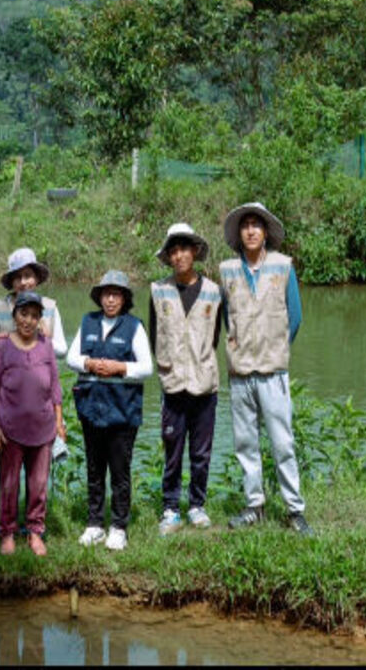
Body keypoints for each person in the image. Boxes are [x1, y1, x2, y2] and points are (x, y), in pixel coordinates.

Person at [218, 202, 311, 536]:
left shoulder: (283, 267)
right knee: (245, 443)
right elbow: (228, 316)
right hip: (240, 374)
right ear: (239, 234)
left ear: (266, 232)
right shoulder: (227, 270)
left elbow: (296, 317)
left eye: (257, 225)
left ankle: (294, 510)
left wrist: (276, 349)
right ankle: (254, 505)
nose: (251, 231)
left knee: (282, 443)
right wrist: (239, 346)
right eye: (246, 226)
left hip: (273, 373)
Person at [66, 270, 153, 551]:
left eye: (116, 294)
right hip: (91, 408)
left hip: (122, 411)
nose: (111, 299)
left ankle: (118, 527)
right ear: (100, 297)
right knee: (94, 468)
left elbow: (147, 368)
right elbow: (71, 357)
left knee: (119, 470)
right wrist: (89, 364)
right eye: (106, 293)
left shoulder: (134, 326)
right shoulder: (88, 322)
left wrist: (120, 368)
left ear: (125, 298)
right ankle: (94, 524)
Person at [149, 223, 224, 536]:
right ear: (168, 257)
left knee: (201, 451)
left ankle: (196, 505)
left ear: (195, 252)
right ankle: (170, 508)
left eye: (184, 249)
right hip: (173, 382)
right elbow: (154, 335)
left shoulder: (213, 292)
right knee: (173, 448)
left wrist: (199, 361)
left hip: (205, 383)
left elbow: (216, 336)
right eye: (173, 250)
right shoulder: (158, 291)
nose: (179, 255)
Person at [0, 291, 65, 556]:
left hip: (43, 429)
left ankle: (34, 531)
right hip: (9, 430)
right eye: (23, 314)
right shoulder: (2, 346)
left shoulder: (46, 346)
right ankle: (7, 531)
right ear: (14, 316)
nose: (28, 321)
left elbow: (55, 386)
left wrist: (59, 422)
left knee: (39, 483)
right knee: (9, 484)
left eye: (34, 315)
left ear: (40, 319)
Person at [0, 247, 67, 358]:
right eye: (18, 277)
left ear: (36, 279)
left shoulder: (50, 308)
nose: (23, 282)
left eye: (27, 276)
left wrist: (42, 339)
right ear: (12, 282)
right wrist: (3, 342)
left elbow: (62, 351)